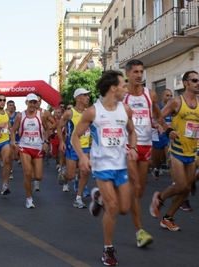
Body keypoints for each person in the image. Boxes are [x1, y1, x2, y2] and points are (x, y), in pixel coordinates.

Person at [72, 70, 138, 266]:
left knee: (124, 208)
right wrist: (83, 157)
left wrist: (133, 147)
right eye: (123, 86)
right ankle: (108, 250)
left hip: (120, 166)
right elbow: (75, 136)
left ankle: (97, 197)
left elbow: (132, 132)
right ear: (113, 88)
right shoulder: (93, 111)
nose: (126, 89)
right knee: (113, 208)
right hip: (101, 166)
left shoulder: (125, 110)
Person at [149, 70, 199, 231]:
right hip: (177, 150)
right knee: (181, 185)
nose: (198, 83)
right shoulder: (176, 102)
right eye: (194, 80)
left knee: (186, 189)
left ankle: (167, 218)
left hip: (192, 150)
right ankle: (160, 197)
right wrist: (168, 131)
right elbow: (159, 117)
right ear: (185, 83)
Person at [123, 59, 163, 247]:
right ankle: (139, 231)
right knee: (134, 184)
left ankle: (109, 193)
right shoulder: (121, 95)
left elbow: (157, 115)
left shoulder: (151, 94)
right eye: (135, 72)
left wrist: (156, 124)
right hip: (128, 145)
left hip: (146, 144)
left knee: (138, 191)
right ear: (127, 74)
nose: (139, 75)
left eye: (141, 71)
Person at [10, 93, 50, 208]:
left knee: (38, 176)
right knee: (27, 173)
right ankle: (29, 198)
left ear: (36, 103)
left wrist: (46, 142)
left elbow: (47, 129)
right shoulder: (20, 116)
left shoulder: (41, 115)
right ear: (26, 103)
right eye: (30, 102)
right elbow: (13, 130)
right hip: (24, 147)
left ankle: (32, 180)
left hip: (37, 147)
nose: (32, 104)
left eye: (34, 102)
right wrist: (13, 141)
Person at [58, 88, 91, 206]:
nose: (88, 97)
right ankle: (64, 175)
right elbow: (59, 126)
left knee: (84, 172)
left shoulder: (90, 112)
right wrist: (61, 141)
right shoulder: (70, 113)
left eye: (88, 95)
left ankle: (78, 198)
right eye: (85, 95)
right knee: (71, 175)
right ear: (78, 98)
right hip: (72, 147)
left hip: (86, 147)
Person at [151, 89, 172, 180]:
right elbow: (158, 119)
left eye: (171, 96)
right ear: (162, 97)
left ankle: (175, 182)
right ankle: (152, 167)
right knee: (156, 161)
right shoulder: (157, 107)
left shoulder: (172, 108)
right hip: (158, 136)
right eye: (167, 95)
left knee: (167, 158)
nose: (170, 97)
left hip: (167, 136)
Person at [0, 94, 12, 195]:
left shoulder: (7, 113)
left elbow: (9, 126)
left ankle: (5, 185)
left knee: (7, 160)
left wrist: (10, 129)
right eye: (0, 100)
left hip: (5, 140)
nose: (2, 102)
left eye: (4, 100)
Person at [7, 100, 20, 176]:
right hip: (8, 137)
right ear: (7, 106)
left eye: (12, 105)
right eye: (10, 105)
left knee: (16, 157)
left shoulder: (17, 115)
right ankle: (10, 170)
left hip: (17, 137)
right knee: (10, 155)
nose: (11, 106)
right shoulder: (5, 115)